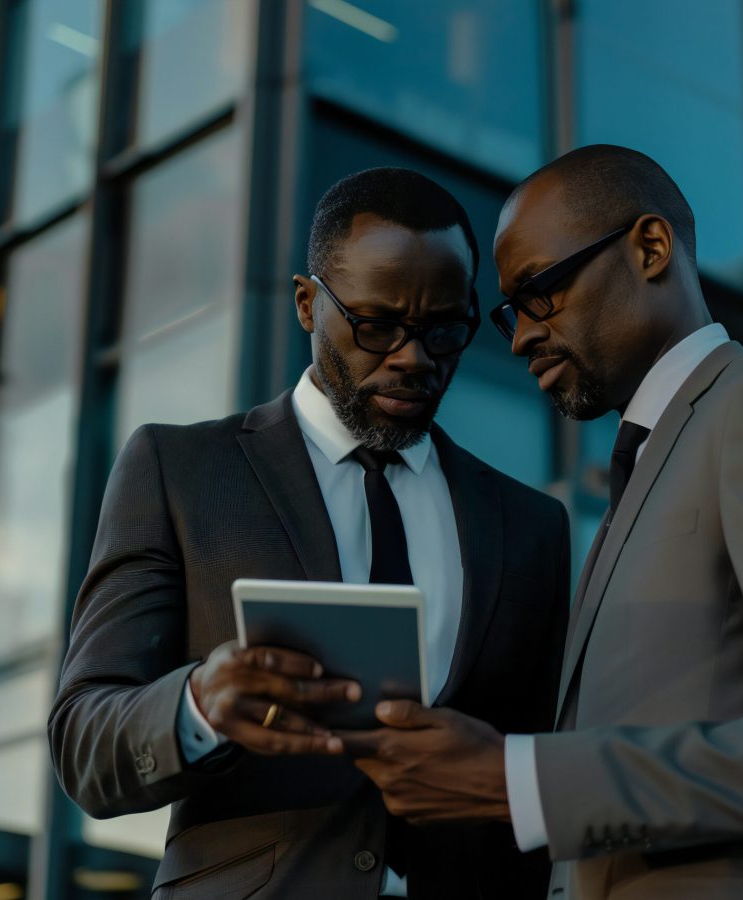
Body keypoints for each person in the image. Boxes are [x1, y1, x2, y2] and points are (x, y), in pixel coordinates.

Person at [334, 146, 743, 900]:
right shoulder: (642, 470)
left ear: (650, 249)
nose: (521, 337)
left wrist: (519, 781)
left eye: (540, 292)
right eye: (510, 312)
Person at [48, 167, 570, 900]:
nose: (413, 358)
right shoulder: (179, 470)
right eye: (377, 326)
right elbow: (84, 742)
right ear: (306, 304)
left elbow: (540, 771)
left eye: (444, 330)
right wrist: (198, 705)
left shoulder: (531, 526)